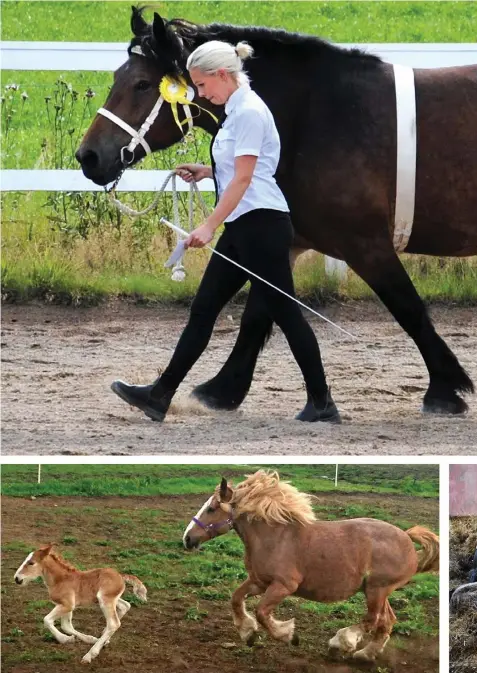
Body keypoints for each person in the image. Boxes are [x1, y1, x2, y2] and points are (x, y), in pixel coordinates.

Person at [111, 40, 340, 423]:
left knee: (287, 315)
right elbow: (241, 168)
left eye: (202, 85)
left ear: (222, 75)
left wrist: (207, 225)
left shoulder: (248, 112)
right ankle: (159, 395)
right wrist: (209, 171)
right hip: (243, 225)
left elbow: (247, 179)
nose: (201, 94)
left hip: (262, 226)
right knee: (203, 311)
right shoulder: (235, 113)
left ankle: (322, 402)